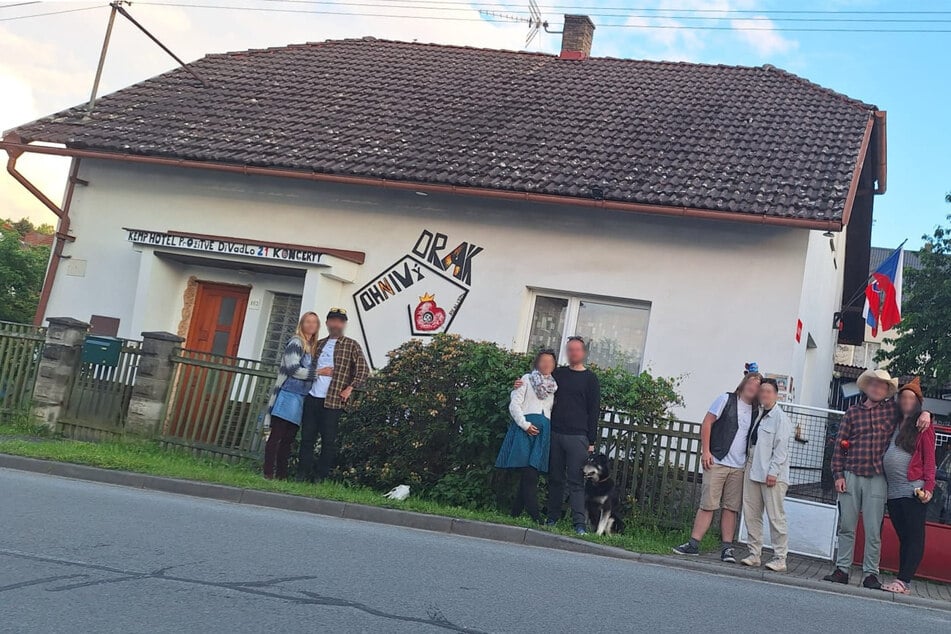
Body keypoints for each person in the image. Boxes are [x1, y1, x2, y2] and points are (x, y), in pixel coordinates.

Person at [823, 369, 931, 589]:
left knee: (874, 529)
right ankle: (842, 569)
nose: (877, 388)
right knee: (846, 526)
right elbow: (839, 447)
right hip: (851, 474)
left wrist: (927, 413)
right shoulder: (852, 413)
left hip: (877, 478)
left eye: (882, 386)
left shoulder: (892, 411)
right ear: (867, 387)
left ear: (887, 390)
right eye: (874, 384)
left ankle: (870, 573)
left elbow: (913, 408)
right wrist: (838, 474)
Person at [673, 371, 762, 562]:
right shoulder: (726, 399)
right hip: (717, 460)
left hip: (739, 466)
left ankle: (727, 549)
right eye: (750, 383)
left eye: (757, 386)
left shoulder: (756, 411)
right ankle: (693, 544)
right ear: (744, 383)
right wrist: (706, 451)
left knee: (731, 508)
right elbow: (707, 422)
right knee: (708, 504)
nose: (752, 387)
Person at [297, 307, 370, 483]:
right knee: (307, 438)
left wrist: (350, 387)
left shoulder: (351, 345)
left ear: (344, 324)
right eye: (333, 320)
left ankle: (321, 477)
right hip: (312, 397)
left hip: (333, 401)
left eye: (340, 321)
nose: (336, 324)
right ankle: (302, 475)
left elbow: (363, 370)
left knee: (328, 442)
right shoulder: (319, 344)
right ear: (328, 322)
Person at [881, 377, 937, 594]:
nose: (906, 400)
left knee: (914, 537)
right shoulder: (894, 422)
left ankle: (904, 581)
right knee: (904, 536)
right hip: (894, 492)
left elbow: (930, 461)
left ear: (918, 402)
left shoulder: (922, 426)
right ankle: (902, 581)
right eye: (903, 396)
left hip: (913, 489)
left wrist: (929, 489)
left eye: (911, 397)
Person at [262, 312, 332, 479]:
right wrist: (319, 372)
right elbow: (293, 369)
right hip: (289, 394)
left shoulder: (312, 346)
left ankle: (281, 474)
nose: (311, 325)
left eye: (314, 322)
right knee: (277, 435)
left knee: (288, 438)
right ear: (301, 324)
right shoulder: (296, 343)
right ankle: (268, 473)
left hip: (301, 397)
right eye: (307, 322)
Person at [544, 336, 601, 535]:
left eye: (577, 350)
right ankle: (552, 518)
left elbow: (594, 410)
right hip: (556, 432)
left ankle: (579, 523)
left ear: (583, 353)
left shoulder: (590, 379)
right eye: (570, 349)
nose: (573, 353)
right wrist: (520, 385)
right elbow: (539, 385)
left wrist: (591, 441)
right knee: (556, 478)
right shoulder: (558, 374)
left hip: (578, 437)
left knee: (576, 481)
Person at [495, 349, 558, 523]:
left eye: (550, 362)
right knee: (529, 473)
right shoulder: (526, 380)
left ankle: (515, 513)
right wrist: (525, 425)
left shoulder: (553, 386)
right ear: (537, 363)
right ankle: (536, 517)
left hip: (542, 432)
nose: (547, 364)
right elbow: (514, 405)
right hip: (526, 430)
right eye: (543, 361)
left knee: (530, 473)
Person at [740, 378, 794, 572]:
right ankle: (754, 553)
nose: (764, 395)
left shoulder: (781, 418)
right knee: (752, 513)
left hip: (773, 474)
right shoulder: (760, 413)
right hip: (753, 467)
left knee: (775, 516)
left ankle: (780, 557)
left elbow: (782, 449)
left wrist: (773, 472)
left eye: (768, 392)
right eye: (762, 391)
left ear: (776, 394)